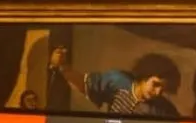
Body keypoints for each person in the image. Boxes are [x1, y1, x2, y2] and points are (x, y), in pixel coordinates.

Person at [49, 47, 181, 116]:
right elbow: (85, 85)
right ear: (145, 76)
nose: (158, 92)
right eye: (156, 84)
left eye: (162, 89)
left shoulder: (163, 109)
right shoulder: (118, 80)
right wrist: (63, 67)